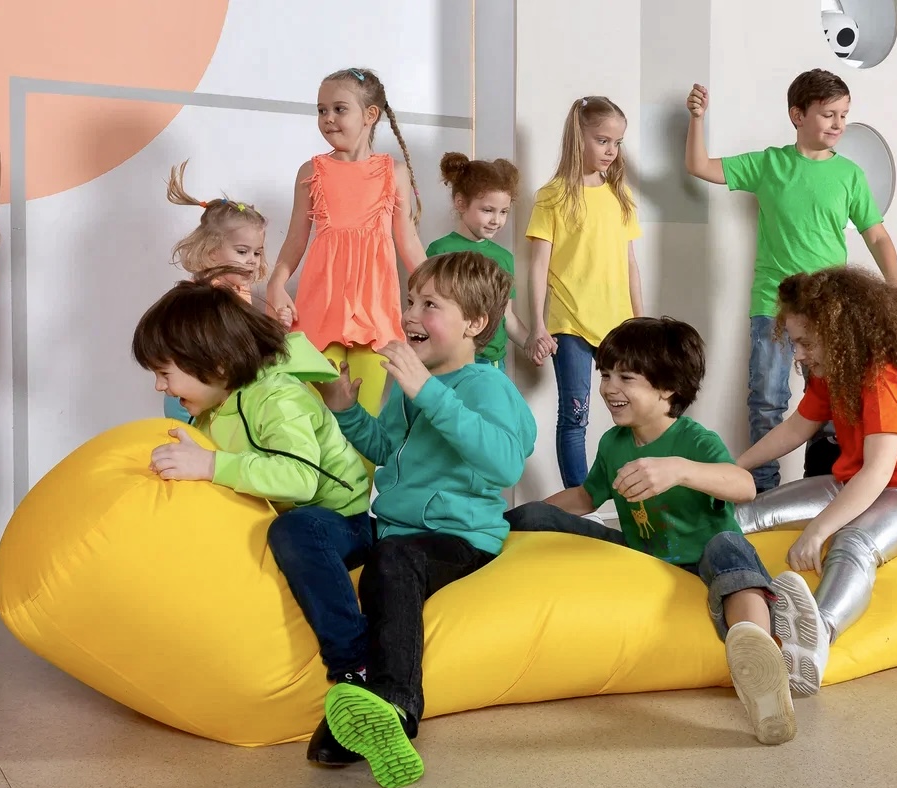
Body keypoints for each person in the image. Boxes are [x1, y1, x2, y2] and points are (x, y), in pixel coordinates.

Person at [505, 316, 825, 745]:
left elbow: (744, 486)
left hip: (703, 560)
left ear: (668, 388)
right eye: (605, 375)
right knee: (533, 516)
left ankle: (759, 652)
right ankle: (489, 535)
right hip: (643, 557)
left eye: (626, 378)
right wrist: (527, 514)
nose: (608, 388)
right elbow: (585, 497)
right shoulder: (614, 444)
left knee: (729, 546)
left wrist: (679, 470)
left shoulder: (694, 440)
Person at [313, 251, 536, 788]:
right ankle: (353, 683)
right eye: (410, 301)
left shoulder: (486, 386)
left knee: (393, 561)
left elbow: (505, 463)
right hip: (395, 529)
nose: (410, 315)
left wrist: (427, 392)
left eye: (430, 305)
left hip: (459, 537)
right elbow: (388, 450)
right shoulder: (410, 382)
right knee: (314, 530)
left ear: (474, 323)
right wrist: (346, 410)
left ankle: (395, 706)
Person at [131, 271, 374, 700]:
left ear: (217, 365)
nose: (159, 386)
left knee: (295, 529)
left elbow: (299, 480)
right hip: (282, 521)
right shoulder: (214, 407)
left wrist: (210, 464)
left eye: (164, 373)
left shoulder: (279, 398)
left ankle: (355, 662)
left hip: (341, 522)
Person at [736, 267, 897, 694]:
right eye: (795, 343)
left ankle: (817, 635)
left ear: (840, 335)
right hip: (854, 481)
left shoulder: (886, 376)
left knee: (851, 542)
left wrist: (818, 531)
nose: (799, 355)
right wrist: (735, 466)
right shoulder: (834, 371)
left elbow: (879, 471)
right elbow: (796, 428)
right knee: (751, 512)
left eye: (806, 342)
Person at [685, 69, 897, 492]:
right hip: (773, 305)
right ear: (798, 115)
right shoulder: (769, 164)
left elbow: (876, 235)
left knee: (833, 402)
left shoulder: (850, 175)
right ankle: (762, 492)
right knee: (767, 400)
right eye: (828, 114)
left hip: (830, 310)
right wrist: (697, 119)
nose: (838, 124)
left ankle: (821, 486)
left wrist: (895, 288)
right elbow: (698, 166)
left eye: (843, 115)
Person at [265, 67, 427, 416]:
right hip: (320, 310)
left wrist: (443, 292)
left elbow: (409, 243)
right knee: (317, 418)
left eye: (339, 109)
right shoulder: (311, 172)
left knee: (364, 420)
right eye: (321, 110)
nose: (328, 118)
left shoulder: (393, 172)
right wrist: (276, 284)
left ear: (370, 115)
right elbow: (294, 241)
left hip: (375, 312)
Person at [525, 95, 643, 488]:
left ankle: (634, 494)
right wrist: (538, 325)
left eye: (617, 142)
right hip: (570, 323)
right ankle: (579, 502)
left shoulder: (621, 196)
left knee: (636, 413)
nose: (611, 151)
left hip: (618, 324)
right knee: (575, 416)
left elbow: (630, 264)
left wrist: (641, 322)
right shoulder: (553, 195)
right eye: (602, 140)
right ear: (579, 138)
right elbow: (538, 265)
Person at [162, 161, 274, 421]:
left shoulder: (238, 290)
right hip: (191, 399)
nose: (252, 260)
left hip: (213, 397)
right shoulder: (206, 297)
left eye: (257, 253)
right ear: (212, 251)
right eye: (242, 251)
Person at [426, 152, 528, 370]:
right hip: (450, 361)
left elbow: (506, 315)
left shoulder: (504, 258)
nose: (496, 220)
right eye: (487, 210)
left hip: (493, 363)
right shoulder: (440, 251)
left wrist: (532, 343)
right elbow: (430, 309)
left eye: (504, 212)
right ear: (461, 203)